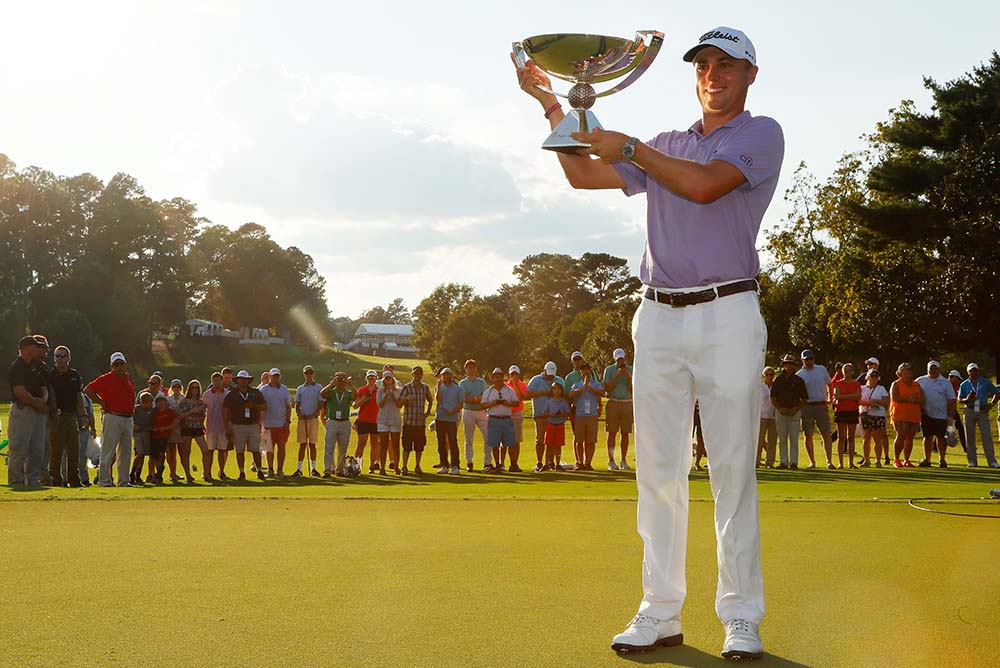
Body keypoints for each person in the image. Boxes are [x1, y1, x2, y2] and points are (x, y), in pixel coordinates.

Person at [515, 25, 782, 658]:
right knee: (658, 474)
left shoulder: (759, 133)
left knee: (731, 472)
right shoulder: (664, 143)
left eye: (727, 65)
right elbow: (583, 175)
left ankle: (740, 616)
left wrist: (630, 145)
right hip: (657, 315)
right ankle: (659, 611)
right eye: (705, 64)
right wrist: (557, 106)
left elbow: (703, 185)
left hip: (728, 311)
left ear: (749, 75)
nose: (713, 74)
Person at [84, 352, 136, 487]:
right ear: (112, 366)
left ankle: (123, 481)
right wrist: (101, 402)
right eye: (116, 364)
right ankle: (104, 480)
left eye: (121, 364)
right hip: (112, 417)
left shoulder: (128, 378)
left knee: (125, 451)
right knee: (108, 451)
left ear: (125, 365)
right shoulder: (106, 379)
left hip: (128, 418)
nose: (119, 367)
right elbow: (88, 390)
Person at [7, 336, 52, 487]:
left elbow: (43, 388)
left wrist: (43, 400)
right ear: (27, 348)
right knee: (19, 447)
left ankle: (33, 481)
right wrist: (35, 402)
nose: (39, 349)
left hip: (38, 412)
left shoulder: (35, 366)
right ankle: (16, 481)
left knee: (37, 448)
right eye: (36, 346)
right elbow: (19, 391)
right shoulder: (17, 366)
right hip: (23, 411)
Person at [47, 345, 86, 487]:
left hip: (70, 416)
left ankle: (74, 480)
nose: (59, 359)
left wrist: (84, 415)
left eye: (62, 356)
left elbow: (78, 396)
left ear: (68, 358)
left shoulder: (74, 375)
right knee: (56, 450)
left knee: (74, 449)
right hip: (56, 415)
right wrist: (52, 413)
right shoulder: (51, 375)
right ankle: (56, 480)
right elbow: (50, 395)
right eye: (57, 356)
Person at [223, 370, 267, 480]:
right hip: (237, 425)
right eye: (241, 379)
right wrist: (227, 427)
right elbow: (226, 411)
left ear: (248, 381)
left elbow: (264, 406)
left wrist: (254, 406)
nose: (243, 381)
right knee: (240, 450)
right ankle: (242, 472)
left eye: (245, 379)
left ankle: (259, 471)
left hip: (252, 424)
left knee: (255, 449)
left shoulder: (255, 392)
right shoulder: (231, 394)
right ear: (237, 380)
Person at [796, 349, 834, 469]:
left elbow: (830, 384)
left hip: (821, 405)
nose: (809, 361)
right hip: (807, 406)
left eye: (811, 359)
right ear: (802, 360)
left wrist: (830, 398)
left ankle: (829, 461)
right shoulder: (799, 375)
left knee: (826, 433)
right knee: (808, 435)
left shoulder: (821, 369)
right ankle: (812, 462)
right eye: (806, 359)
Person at [914, 361, 956, 468]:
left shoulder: (945, 382)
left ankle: (942, 460)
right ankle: (927, 459)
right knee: (927, 437)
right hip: (926, 414)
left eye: (935, 369)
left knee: (941, 438)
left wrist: (950, 416)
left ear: (939, 369)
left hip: (941, 415)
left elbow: (951, 400)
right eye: (931, 369)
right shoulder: (920, 380)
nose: (933, 371)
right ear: (927, 369)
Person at [526, 362, 565, 472]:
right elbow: (528, 394)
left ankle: (550, 462)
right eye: (549, 374)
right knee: (540, 440)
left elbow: (564, 396)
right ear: (544, 370)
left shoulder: (559, 380)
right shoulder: (536, 380)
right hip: (540, 414)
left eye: (552, 375)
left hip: (555, 416)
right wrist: (543, 393)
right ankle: (539, 462)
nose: (550, 377)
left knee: (552, 441)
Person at [957, 363, 999, 468]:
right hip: (969, 410)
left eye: (975, 370)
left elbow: (997, 393)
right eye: (971, 370)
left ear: (978, 371)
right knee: (969, 436)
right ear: (968, 372)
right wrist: (967, 399)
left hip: (982, 410)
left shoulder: (985, 382)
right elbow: (959, 399)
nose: (973, 372)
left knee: (987, 436)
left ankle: (992, 461)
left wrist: (991, 405)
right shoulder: (964, 384)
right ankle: (972, 461)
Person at [770, 354, 807, 470]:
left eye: (791, 364)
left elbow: (804, 398)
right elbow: (773, 397)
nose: (789, 366)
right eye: (787, 364)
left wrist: (797, 408)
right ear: (784, 365)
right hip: (781, 411)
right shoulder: (778, 380)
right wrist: (779, 408)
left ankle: (794, 462)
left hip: (794, 411)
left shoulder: (799, 380)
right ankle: (784, 462)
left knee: (794, 438)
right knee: (782, 438)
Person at [568, 361, 606, 470]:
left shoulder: (596, 384)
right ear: (580, 372)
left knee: (591, 441)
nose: (586, 372)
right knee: (579, 440)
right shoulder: (577, 384)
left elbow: (602, 393)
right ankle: (579, 462)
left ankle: (588, 462)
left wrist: (590, 388)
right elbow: (571, 394)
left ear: (590, 371)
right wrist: (583, 387)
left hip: (592, 415)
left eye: (587, 369)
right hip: (580, 415)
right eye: (583, 370)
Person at [481, 367, 519, 472]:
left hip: (506, 419)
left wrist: (508, 403)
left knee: (510, 443)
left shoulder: (509, 390)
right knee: (495, 444)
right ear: (492, 378)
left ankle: (513, 464)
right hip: (494, 419)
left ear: (503, 377)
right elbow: (482, 405)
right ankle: (498, 464)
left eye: (500, 377)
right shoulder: (488, 391)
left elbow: (516, 402)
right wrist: (492, 403)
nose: (498, 379)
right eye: (496, 377)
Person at [603, 348, 634, 471]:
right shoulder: (609, 370)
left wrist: (628, 377)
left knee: (625, 433)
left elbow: (633, 390)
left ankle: (623, 460)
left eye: (622, 358)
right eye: (618, 359)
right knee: (612, 432)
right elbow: (608, 388)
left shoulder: (631, 369)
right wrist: (617, 376)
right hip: (613, 402)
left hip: (627, 403)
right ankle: (611, 461)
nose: (620, 361)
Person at [320, 372, 356, 477]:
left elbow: (356, 396)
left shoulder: (347, 392)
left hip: (344, 422)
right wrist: (331, 384)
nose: (340, 382)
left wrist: (350, 384)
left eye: (342, 380)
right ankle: (328, 469)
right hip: (332, 421)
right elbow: (322, 393)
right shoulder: (331, 392)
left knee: (343, 448)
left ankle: (339, 469)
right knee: (329, 447)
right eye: (338, 380)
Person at [399, 365, 433, 475]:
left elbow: (430, 400)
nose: (418, 375)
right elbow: (399, 403)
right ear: (412, 374)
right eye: (415, 373)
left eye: (419, 373)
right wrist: (406, 399)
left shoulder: (425, 387)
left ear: (422, 374)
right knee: (406, 446)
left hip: (420, 422)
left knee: (419, 446)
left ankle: (417, 466)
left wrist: (427, 412)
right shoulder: (407, 387)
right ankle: (404, 466)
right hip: (409, 421)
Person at [889, 362, 924, 468]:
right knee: (901, 434)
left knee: (910, 437)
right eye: (906, 370)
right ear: (900, 372)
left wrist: (916, 400)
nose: (909, 372)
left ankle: (907, 460)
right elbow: (895, 398)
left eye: (910, 370)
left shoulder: (916, 384)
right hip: (900, 414)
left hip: (913, 414)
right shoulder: (896, 384)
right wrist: (908, 399)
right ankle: (896, 459)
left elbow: (922, 399)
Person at [259, 368, 292, 478]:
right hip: (268, 424)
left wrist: (287, 420)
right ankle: (270, 470)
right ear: (269, 376)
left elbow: (288, 406)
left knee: (281, 447)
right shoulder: (263, 389)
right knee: (269, 449)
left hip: (281, 424)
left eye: (277, 376)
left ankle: (280, 470)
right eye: (273, 376)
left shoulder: (284, 389)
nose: (275, 378)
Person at [294, 365, 323, 477]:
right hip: (303, 419)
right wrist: (300, 414)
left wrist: (314, 414)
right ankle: (299, 469)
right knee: (302, 444)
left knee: (312, 444)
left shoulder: (319, 387)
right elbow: (297, 405)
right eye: (307, 373)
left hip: (313, 419)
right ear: (304, 374)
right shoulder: (300, 389)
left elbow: (320, 404)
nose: (309, 374)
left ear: (313, 373)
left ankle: (314, 469)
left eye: (310, 372)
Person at [459, 359, 488, 472]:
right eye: (469, 368)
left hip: (481, 412)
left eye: (473, 367)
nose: (471, 370)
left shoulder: (481, 382)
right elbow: (464, 398)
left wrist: (474, 399)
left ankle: (487, 462)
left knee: (487, 437)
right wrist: (476, 399)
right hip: (468, 412)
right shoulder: (462, 383)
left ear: (476, 369)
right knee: (469, 438)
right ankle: (469, 462)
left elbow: (483, 397)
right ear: (466, 370)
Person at [831, 362, 862, 469]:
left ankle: (851, 463)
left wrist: (846, 396)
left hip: (852, 411)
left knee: (851, 437)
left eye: (849, 370)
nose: (847, 373)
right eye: (845, 371)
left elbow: (858, 396)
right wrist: (851, 396)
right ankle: (841, 463)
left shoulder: (857, 383)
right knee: (841, 437)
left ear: (852, 372)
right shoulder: (838, 383)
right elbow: (837, 396)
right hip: (841, 411)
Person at [177, 380, 208, 483]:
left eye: (196, 388)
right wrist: (192, 412)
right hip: (187, 429)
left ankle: (206, 474)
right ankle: (188, 475)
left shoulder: (201, 402)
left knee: (205, 450)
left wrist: (196, 418)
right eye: (193, 388)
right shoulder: (184, 402)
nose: (195, 390)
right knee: (186, 452)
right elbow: (181, 416)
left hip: (198, 428)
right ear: (189, 389)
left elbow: (203, 416)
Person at [434, 368, 464, 475]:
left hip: (451, 419)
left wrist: (452, 411)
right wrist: (438, 387)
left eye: (448, 375)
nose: (446, 377)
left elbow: (461, 404)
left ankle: (455, 466)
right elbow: (438, 400)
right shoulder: (438, 387)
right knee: (441, 443)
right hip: (440, 418)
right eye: (444, 375)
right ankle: (444, 465)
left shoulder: (458, 388)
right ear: (441, 376)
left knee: (452, 442)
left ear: (451, 376)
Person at [858, 369, 890, 467]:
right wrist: (868, 403)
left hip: (878, 415)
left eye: (876, 376)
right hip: (866, 414)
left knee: (877, 438)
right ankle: (866, 460)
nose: (874, 378)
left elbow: (885, 403)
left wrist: (875, 401)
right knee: (866, 438)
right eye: (872, 376)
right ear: (867, 377)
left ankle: (878, 460)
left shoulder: (881, 389)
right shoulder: (862, 388)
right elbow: (857, 400)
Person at [202, 372, 230, 481]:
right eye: (214, 380)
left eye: (218, 380)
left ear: (222, 381)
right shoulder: (207, 394)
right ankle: (207, 472)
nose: (217, 382)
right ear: (212, 381)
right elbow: (203, 410)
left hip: (223, 426)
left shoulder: (227, 394)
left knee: (222, 450)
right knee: (210, 450)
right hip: (211, 427)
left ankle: (221, 471)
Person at [564, 351, 588, 468]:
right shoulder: (570, 377)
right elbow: (567, 396)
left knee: (588, 437)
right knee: (577, 436)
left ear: (582, 360)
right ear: (572, 361)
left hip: (589, 408)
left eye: (579, 359)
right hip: (576, 408)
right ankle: (579, 461)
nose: (577, 362)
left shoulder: (590, 373)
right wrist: (569, 412)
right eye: (575, 360)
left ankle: (587, 462)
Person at [376, 371, 403, 474]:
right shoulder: (380, 391)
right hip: (383, 420)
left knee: (396, 444)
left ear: (392, 379)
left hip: (395, 420)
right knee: (383, 444)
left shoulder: (398, 391)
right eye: (386, 379)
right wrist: (386, 395)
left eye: (390, 379)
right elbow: (380, 405)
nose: (388, 381)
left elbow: (399, 405)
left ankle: (396, 467)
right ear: (383, 380)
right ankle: (382, 468)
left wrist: (393, 396)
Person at [354, 370, 381, 472]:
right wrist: (363, 400)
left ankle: (372, 466)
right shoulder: (361, 390)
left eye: (373, 378)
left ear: (376, 378)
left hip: (375, 420)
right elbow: (355, 405)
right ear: (366, 378)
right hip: (363, 420)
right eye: (369, 378)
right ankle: (357, 466)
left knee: (374, 443)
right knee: (361, 443)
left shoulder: (379, 391)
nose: (371, 380)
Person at [541, 382, 571, 470]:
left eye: (558, 389)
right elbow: (544, 413)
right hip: (551, 424)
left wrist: (562, 414)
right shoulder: (549, 402)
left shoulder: (564, 402)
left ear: (561, 390)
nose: (557, 391)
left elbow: (568, 413)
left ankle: (558, 463)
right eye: (554, 389)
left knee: (558, 445)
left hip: (560, 425)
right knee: (548, 444)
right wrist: (550, 414)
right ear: (552, 390)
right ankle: (547, 463)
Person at [505, 365, 528, 472]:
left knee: (516, 441)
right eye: (512, 374)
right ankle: (503, 463)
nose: (514, 376)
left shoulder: (523, 385)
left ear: (519, 375)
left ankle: (514, 463)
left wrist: (514, 384)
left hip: (517, 414)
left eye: (516, 374)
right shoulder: (504, 385)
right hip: (506, 414)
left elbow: (519, 398)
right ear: (509, 374)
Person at [164, 379, 186, 482]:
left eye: (178, 387)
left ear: (181, 388)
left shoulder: (184, 399)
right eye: (174, 387)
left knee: (182, 452)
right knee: (171, 452)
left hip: (181, 427)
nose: (176, 388)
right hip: (171, 428)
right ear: (171, 388)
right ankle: (172, 473)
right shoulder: (168, 399)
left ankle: (187, 473)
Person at [130, 391, 154, 484]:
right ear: (143, 402)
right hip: (138, 434)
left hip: (147, 433)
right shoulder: (136, 410)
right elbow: (131, 420)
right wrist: (134, 426)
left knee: (144, 454)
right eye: (149, 402)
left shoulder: (151, 410)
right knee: (140, 453)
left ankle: (138, 475)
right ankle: (132, 474)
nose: (150, 404)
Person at [756, 367, 777, 468]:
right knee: (759, 440)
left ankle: (770, 462)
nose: (769, 376)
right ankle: (757, 460)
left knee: (772, 440)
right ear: (764, 376)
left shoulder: (776, 387)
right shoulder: (760, 387)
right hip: (762, 416)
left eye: (771, 374)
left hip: (773, 416)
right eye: (767, 374)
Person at [947, 370, 967, 453]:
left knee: (959, 428)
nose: (958, 381)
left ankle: (966, 447)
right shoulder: (947, 385)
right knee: (960, 428)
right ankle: (966, 447)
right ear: (952, 377)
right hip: (947, 410)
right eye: (957, 378)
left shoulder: (953, 386)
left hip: (952, 410)